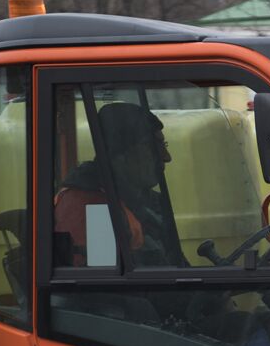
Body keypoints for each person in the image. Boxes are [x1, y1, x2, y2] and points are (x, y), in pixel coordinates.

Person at [53, 102, 182, 266]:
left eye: (163, 146)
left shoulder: (140, 200)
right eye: (153, 148)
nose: (166, 157)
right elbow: (103, 286)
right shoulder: (96, 210)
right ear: (120, 156)